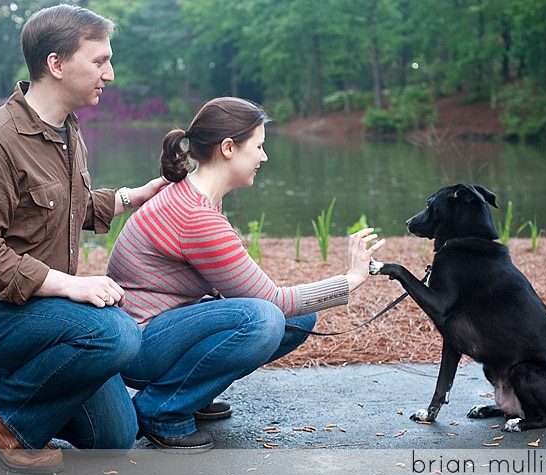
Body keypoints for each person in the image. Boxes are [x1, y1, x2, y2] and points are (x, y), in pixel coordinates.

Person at [0, 4, 167, 474]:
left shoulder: (66, 129)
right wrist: (69, 285)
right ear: (57, 64)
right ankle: (2, 414)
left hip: (39, 307)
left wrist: (133, 196)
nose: (111, 73)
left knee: (115, 438)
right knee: (118, 333)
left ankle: (13, 380)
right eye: (100, 61)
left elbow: (67, 206)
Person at [106, 97, 385, 453]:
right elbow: (270, 302)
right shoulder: (196, 216)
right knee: (265, 319)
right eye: (258, 146)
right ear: (228, 149)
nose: (264, 157)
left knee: (295, 319)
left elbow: (240, 288)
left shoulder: (199, 197)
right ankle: (161, 410)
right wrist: (351, 279)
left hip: (162, 329)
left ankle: (189, 395)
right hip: (141, 344)